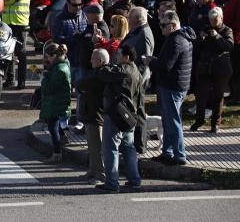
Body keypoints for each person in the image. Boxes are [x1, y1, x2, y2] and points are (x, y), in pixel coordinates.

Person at [144, 11, 195, 165]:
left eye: (163, 25)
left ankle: (179, 155)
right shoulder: (182, 37)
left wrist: (150, 61)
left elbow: (166, 66)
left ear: (172, 26)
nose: (161, 28)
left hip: (172, 85)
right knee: (168, 120)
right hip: (177, 84)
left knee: (173, 121)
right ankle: (167, 152)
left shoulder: (176, 40)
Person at [95, 45, 144, 193]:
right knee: (129, 148)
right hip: (130, 116)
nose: (116, 56)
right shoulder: (137, 71)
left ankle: (112, 182)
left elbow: (103, 74)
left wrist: (103, 65)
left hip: (117, 114)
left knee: (110, 148)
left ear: (127, 57)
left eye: (119, 54)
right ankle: (134, 179)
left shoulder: (123, 70)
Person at [190, 6, 233, 133]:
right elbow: (196, 47)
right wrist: (200, 38)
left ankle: (215, 123)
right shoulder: (205, 28)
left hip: (220, 68)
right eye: (211, 20)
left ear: (221, 18)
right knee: (200, 95)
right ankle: (199, 119)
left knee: (218, 96)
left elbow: (229, 46)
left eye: (215, 19)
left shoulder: (227, 30)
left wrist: (217, 36)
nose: (213, 22)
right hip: (204, 67)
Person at [76, 48, 109, 185]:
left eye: (93, 58)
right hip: (90, 113)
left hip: (97, 114)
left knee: (97, 145)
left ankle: (100, 173)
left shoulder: (103, 74)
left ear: (100, 61)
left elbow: (84, 84)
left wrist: (81, 85)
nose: (90, 61)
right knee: (92, 145)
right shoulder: (96, 73)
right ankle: (93, 168)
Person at [39, 42, 72, 162]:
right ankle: (62, 138)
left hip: (56, 103)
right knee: (56, 126)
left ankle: (57, 153)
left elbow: (50, 88)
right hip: (58, 102)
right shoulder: (63, 65)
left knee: (53, 128)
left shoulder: (59, 69)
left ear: (54, 56)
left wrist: (44, 79)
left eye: (47, 57)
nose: (46, 59)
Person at [2, 0, 31, 89]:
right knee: (8, 54)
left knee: (21, 54)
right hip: (7, 24)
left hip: (21, 25)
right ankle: (9, 79)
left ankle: (21, 81)